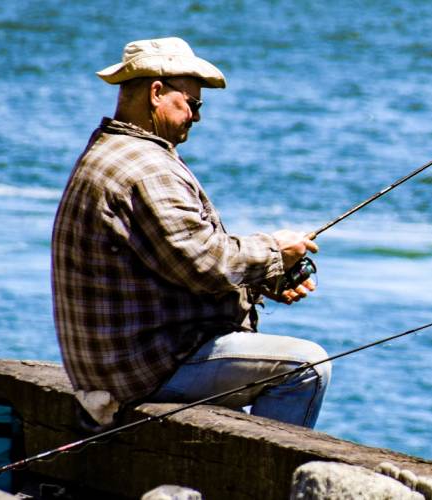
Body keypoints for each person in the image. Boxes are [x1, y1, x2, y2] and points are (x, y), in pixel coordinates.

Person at [51, 37, 330, 429]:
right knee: (306, 366)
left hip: (113, 366)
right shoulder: (148, 168)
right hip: (145, 369)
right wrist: (274, 251)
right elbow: (206, 262)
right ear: (156, 93)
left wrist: (263, 280)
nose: (197, 117)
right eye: (193, 104)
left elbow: (173, 261)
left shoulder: (111, 150)